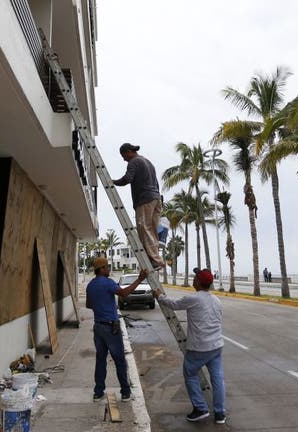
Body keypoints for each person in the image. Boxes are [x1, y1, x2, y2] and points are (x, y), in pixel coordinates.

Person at [153, 268, 226, 424]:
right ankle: (220, 414)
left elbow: (172, 304)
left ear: (198, 282)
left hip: (199, 348)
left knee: (190, 373)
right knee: (218, 379)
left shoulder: (194, 299)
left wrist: (159, 295)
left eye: (195, 278)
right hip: (216, 346)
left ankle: (201, 409)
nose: (193, 280)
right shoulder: (217, 301)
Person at [86, 257, 149, 403]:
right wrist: (139, 280)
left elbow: (89, 305)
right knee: (119, 360)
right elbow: (124, 293)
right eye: (107, 267)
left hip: (98, 327)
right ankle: (126, 393)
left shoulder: (91, 285)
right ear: (101, 269)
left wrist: (101, 305)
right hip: (110, 327)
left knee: (100, 360)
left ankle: (98, 392)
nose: (108, 269)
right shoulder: (107, 283)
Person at [112, 143, 164, 270]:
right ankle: (155, 258)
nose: (124, 159)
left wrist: (112, 182)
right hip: (156, 198)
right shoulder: (148, 162)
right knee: (152, 230)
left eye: (124, 156)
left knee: (144, 228)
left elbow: (127, 179)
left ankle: (155, 260)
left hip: (144, 199)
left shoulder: (134, 162)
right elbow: (156, 183)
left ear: (129, 151)